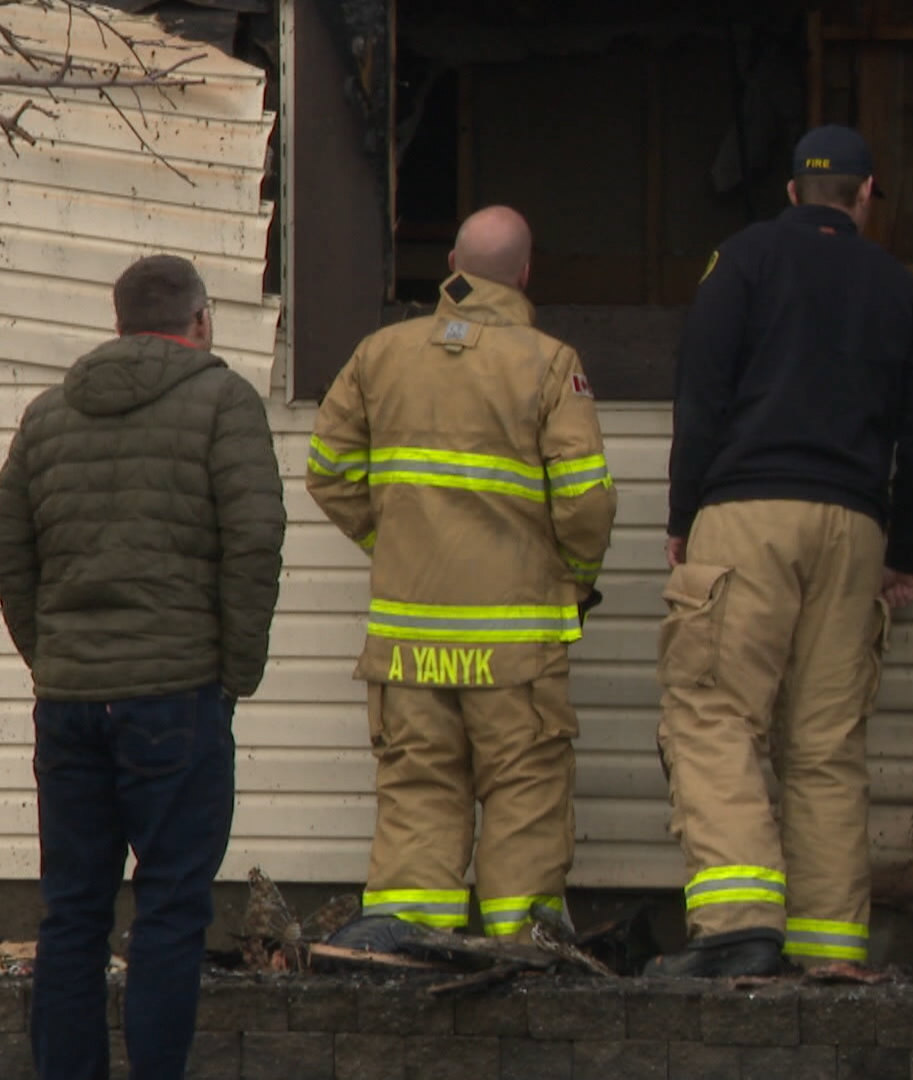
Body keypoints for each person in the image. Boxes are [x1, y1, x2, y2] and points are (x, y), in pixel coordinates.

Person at [649, 124, 913, 978]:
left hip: (745, 513)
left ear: (791, 192)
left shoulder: (739, 263)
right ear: (865, 196)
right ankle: (828, 947)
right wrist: (908, 553)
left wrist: (684, 513)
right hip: (855, 528)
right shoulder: (902, 290)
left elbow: (700, 393)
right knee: (824, 745)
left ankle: (741, 926)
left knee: (713, 714)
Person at [0, 254, 287, 1079]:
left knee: (72, 914)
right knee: (170, 911)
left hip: (74, 702)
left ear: (118, 324)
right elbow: (255, 541)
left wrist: (51, 657)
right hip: (176, 699)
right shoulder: (225, 403)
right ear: (201, 321)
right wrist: (235, 672)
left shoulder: (50, 414)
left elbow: (4, 547)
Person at [308, 205, 616, 949]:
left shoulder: (379, 353)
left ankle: (411, 933)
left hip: (410, 640)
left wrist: (394, 542)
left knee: (419, 785)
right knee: (524, 788)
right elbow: (586, 501)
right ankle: (520, 942)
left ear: (451, 261)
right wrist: (569, 577)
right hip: (514, 643)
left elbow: (328, 470)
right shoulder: (548, 363)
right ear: (527, 272)